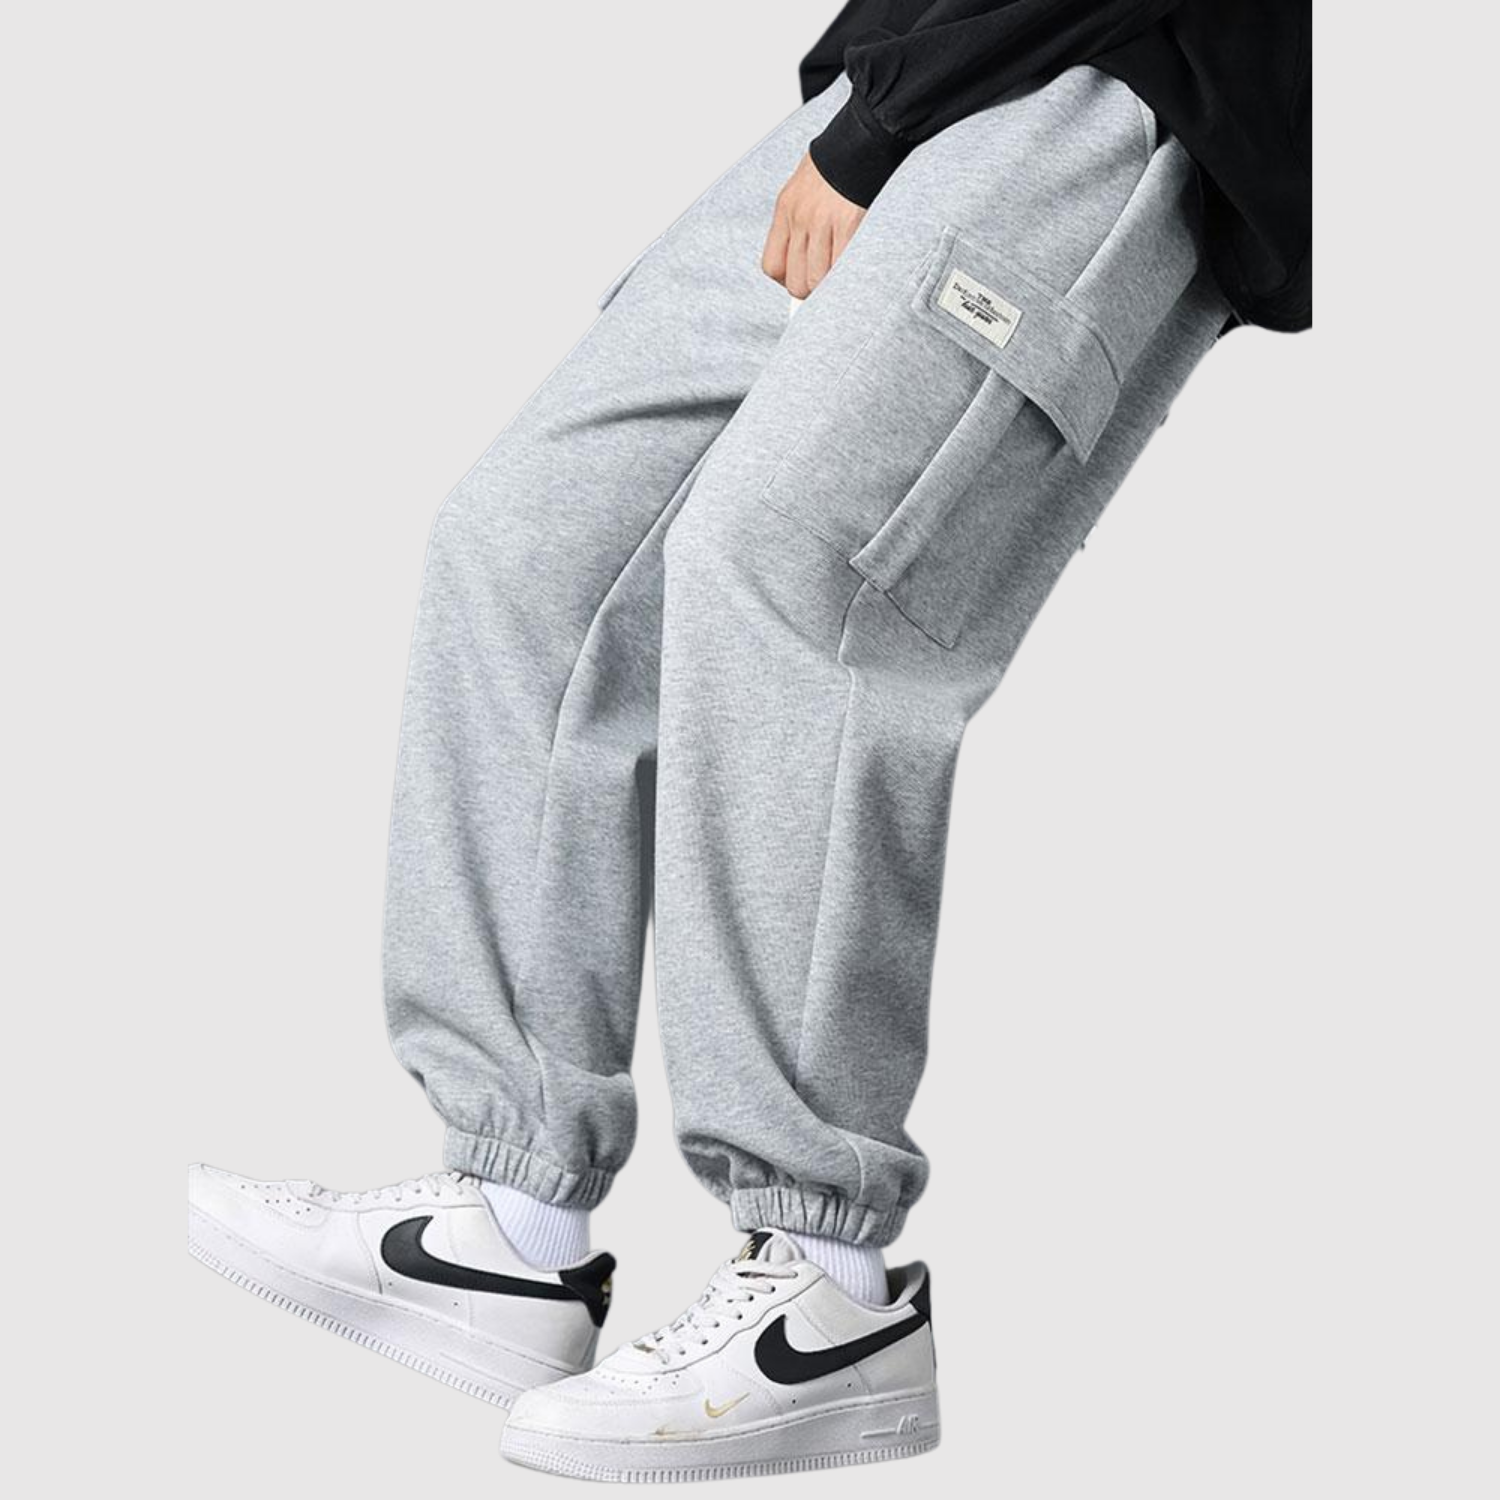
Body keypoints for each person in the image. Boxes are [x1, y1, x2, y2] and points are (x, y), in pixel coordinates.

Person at [187, 0, 1311, 1481]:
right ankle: (507, 1222)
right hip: (912, 57)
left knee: (787, 579)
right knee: (528, 546)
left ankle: (826, 1293)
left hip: (1119, 68)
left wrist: (879, 127)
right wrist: (876, 99)